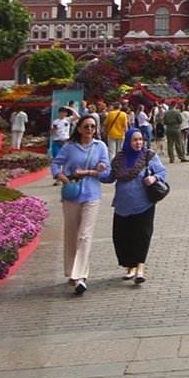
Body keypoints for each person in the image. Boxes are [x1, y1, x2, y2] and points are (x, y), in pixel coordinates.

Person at [51, 114, 111, 295]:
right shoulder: (69, 147)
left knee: (85, 235)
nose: (90, 130)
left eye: (93, 126)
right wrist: (63, 179)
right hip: (72, 194)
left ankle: (80, 276)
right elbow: (55, 164)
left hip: (92, 194)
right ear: (78, 128)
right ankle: (71, 271)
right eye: (86, 126)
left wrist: (94, 171)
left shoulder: (100, 146)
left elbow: (106, 171)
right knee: (72, 234)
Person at [108, 128, 168, 285]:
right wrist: (95, 171)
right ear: (128, 141)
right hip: (122, 206)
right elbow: (109, 177)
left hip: (144, 204)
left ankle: (140, 268)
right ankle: (130, 267)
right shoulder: (119, 159)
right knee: (122, 238)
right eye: (135, 140)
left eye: (140, 139)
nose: (138, 143)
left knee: (142, 236)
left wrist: (154, 178)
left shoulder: (148, 155)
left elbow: (162, 171)